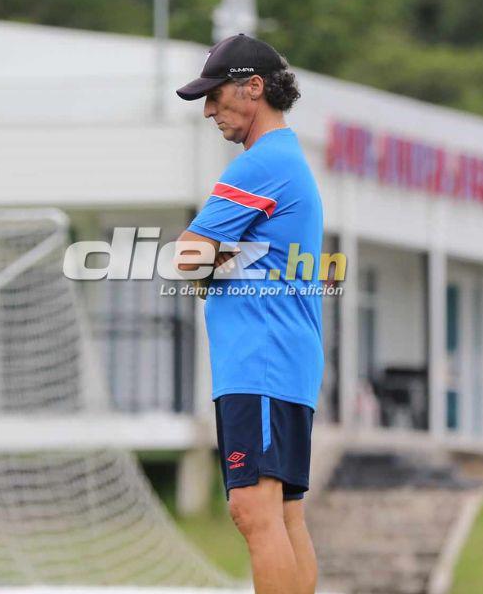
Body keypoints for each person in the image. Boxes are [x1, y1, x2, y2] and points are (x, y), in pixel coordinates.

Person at [174, 34, 324, 594]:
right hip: (287, 360)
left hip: (259, 361)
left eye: (216, 95)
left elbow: (186, 259)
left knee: (253, 513)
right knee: (284, 516)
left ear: (253, 87)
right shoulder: (288, 159)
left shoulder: (258, 166)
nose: (210, 110)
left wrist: (213, 259)